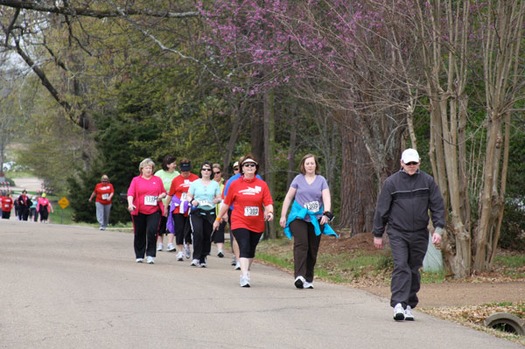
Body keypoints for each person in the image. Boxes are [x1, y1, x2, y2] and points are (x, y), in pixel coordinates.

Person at [373, 148, 445, 321]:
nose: (411, 166)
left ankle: (408, 305)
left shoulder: (427, 181)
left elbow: (437, 206)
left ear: (419, 162)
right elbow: (382, 209)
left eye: (414, 163)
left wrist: (438, 230)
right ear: (402, 163)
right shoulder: (392, 183)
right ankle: (398, 304)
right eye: (408, 163)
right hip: (398, 232)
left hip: (420, 233)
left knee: (413, 269)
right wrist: (378, 233)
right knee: (401, 266)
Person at [213, 155, 274, 287]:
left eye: (252, 165)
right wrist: (218, 218)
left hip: (257, 222)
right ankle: (245, 275)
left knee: (251, 249)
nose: (250, 167)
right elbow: (226, 203)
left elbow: (268, 202)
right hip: (239, 220)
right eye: (247, 165)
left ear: (256, 168)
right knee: (244, 245)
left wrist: (270, 212)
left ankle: (246, 270)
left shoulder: (262, 185)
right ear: (242, 169)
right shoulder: (235, 184)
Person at [280, 154, 337, 290]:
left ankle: (308, 278)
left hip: (315, 218)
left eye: (312, 163)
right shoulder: (298, 179)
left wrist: (327, 213)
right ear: (303, 166)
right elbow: (288, 197)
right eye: (307, 163)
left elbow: (326, 197)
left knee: (312, 248)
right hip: (298, 217)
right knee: (301, 244)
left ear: (316, 165)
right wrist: (283, 216)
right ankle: (299, 276)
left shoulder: (321, 180)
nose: (310, 166)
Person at [127, 158, 167, 264]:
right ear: (142, 169)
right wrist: (130, 204)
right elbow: (130, 193)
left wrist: (161, 196)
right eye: (146, 168)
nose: (149, 170)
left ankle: (150, 255)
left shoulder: (157, 180)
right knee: (139, 232)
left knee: (152, 231)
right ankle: (139, 255)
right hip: (139, 210)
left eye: (150, 168)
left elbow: (164, 192)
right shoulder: (136, 180)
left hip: (154, 210)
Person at [186, 162, 222, 267]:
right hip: (197, 212)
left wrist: (216, 200)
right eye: (204, 169)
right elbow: (188, 195)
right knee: (197, 233)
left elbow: (219, 197)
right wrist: (192, 201)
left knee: (207, 235)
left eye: (208, 170)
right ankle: (196, 257)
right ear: (201, 171)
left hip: (209, 212)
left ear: (211, 172)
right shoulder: (195, 183)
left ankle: (203, 257)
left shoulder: (215, 184)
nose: (206, 171)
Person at [166, 159, 199, 262]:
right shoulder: (176, 180)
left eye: (187, 170)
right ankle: (180, 251)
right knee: (179, 229)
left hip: (191, 207)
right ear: (180, 169)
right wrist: (165, 207)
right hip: (178, 207)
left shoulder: (196, 179)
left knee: (188, 229)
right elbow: (170, 194)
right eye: (184, 170)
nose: (185, 172)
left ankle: (187, 244)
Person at [154, 155, 180, 251]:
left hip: (173, 203)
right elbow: (154, 187)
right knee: (160, 223)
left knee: (171, 223)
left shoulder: (177, 174)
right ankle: (160, 243)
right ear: (168, 164)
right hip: (161, 203)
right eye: (173, 163)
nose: (175, 165)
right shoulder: (159, 174)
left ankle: (170, 243)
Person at [211, 163, 226, 257]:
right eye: (214, 173)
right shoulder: (209, 184)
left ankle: (220, 250)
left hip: (222, 211)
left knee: (220, 230)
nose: (216, 174)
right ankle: (206, 248)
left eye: (218, 172)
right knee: (209, 230)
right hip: (210, 210)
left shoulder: (225, 185)